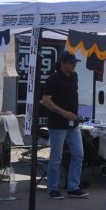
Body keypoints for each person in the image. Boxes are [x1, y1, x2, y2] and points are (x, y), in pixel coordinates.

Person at [39, 51, 88, 199]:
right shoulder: (53, 79)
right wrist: (62, 112)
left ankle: (73, 187)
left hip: (73, 123)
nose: (74, 65)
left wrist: (77, 113)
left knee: (78, 154)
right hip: (58, 124)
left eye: (75, 63)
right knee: (56, 157)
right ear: (63, 63)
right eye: (71, 63)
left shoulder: (74, 76)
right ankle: (52, 188)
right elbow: (46, 100)